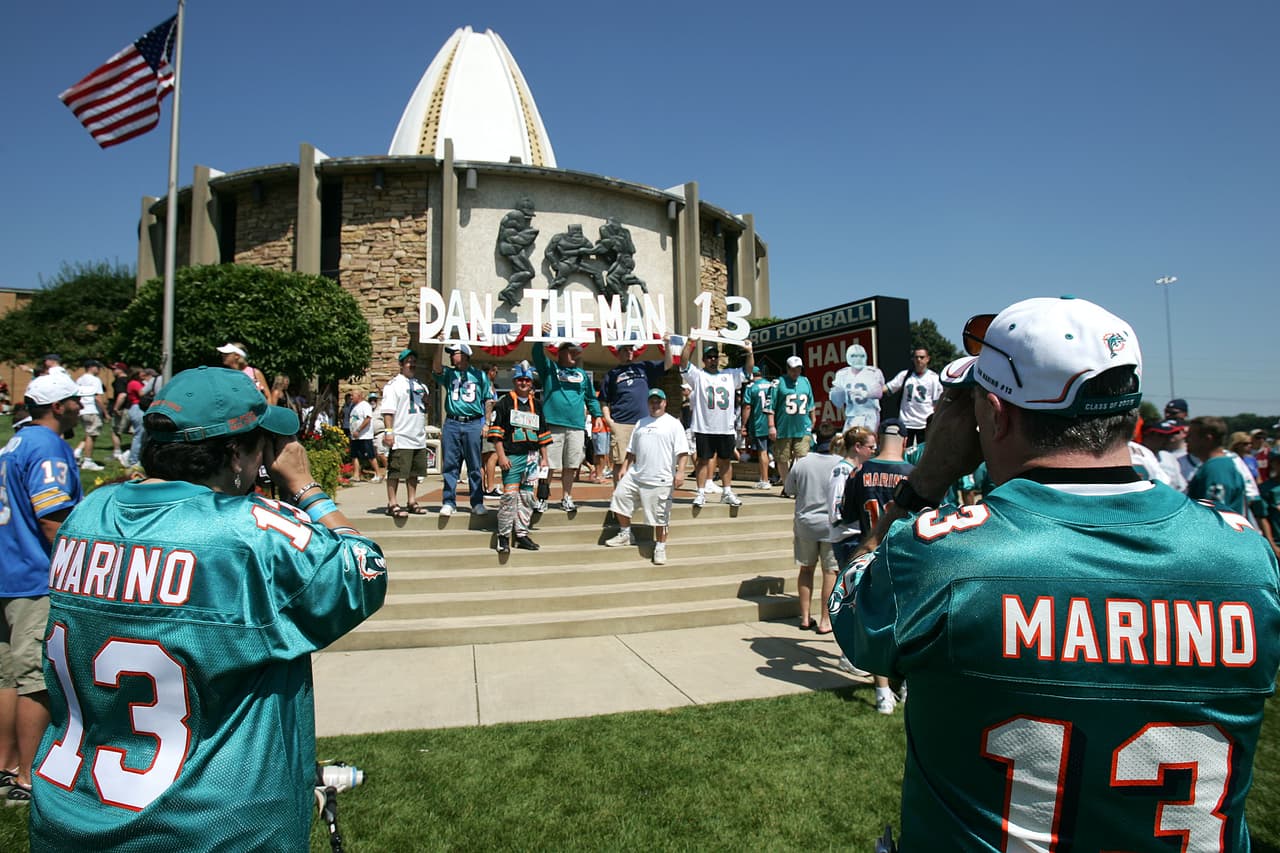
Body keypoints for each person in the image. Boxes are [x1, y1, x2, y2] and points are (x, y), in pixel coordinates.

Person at [831, 296, 1280, 851]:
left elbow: (851, 611)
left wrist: (922, 485)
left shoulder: (945, 559)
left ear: (997, 414)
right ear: (1127, 414)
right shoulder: (1245, 556)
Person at [28, 366, 386, 849]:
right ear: (235, 453)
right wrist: (305, 486)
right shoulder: (249, 532)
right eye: (261, 445)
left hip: (71, 815)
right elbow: (364, 570)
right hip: (212, 826)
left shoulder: (88, 515)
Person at [0, 373, 83, 806]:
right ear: (58, 406)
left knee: (8, 678)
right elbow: (51, 517)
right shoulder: (47, 446)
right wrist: (78, 569)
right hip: (33, 575)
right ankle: (27, 778)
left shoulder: (14, 443)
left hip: (6, 570)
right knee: (34, 679)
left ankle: (6, 765)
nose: (81, 408)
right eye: (75, 401)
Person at [837, 418, 913, 714]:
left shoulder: (860, 472)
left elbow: (846, 514)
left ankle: (882, 692)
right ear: (905, 441)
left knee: (875, 623)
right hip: (907, 557)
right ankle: (906, 684)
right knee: (907, 623)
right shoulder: (915, 474)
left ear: (878, 439)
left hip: (872, 553)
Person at [604, 389, 690, 565]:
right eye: (652, 401)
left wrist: (680, 472)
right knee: (619, 497)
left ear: (665, 403)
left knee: (660, 517)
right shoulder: (640, 423)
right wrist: (625, 467)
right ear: (647, 403)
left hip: (660, 478)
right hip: (636, 474)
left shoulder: (673, 424)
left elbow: (682, 452)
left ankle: (660, 546)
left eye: (658, 401)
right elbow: (632, 450)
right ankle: (625, 533)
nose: (655, 404)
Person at [532, 330, 603, 512]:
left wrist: (597, 415)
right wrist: (542, 335)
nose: (575, 354)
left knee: (571, 465)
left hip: (576, 426)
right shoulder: (550, 369)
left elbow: (591, 398)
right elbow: (537, 354)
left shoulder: (581, 374)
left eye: (577, 351)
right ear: (560, 352)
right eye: (571, 351)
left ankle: (566, 497)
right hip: (553, 424)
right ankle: (542, 498)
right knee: (548, 464)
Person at [680, 336, 754, 507]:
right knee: (702, 460)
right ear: (704, 360)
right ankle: (700, 492)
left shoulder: (729, 375)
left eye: (715, 357)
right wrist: (690, 343)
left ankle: (727, 491)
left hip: (725, 427)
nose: (713, 360)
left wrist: (750, 352)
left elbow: (747, 370)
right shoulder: (698, 376)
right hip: (704, 426)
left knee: (725, 460)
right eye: (709, 357)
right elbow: (683, 363)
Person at [486, 361, 550, 552]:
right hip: (512, 456)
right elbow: (496, 434)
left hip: (531, 456)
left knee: (527, 496)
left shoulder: (537, 405)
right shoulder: (504, 403)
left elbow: (542, 434)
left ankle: (522, 533)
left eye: (527, 380)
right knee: (509, 496)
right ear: (514, 381)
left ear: (531, 383)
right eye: (520, 380)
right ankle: (503, 536)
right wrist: (501, 456)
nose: (523, 383)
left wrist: (544, 458)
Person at [784, 422, 841, 633]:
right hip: (831, 524)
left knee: (806, 569)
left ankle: (806, 617)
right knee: (830, 572)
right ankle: (826, 620)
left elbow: (789, 489)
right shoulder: (841, 463)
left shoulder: (802, 463)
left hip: (806, 522)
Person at [431, 342, 492, 517]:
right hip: (452, 422)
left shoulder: (479, 375)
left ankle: (477, 502)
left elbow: (488, 399)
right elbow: (436, 368)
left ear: (464, 355)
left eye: (454, 353)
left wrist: (487, 423)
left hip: (473, 422)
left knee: (474, 465)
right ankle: (449, 501)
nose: (451, 357)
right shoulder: (450, 374)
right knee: (450, 464)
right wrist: (439, 345)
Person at [599, 342, 673, 486]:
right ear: (618, 353)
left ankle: (641, 493)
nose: (629, 352)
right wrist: (608, 420)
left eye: (631, 349)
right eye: (625, 350)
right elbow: (604, 400)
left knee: (644, 460)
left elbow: (668, 364)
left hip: (644, 423)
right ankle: (619, 495)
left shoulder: (644, 367)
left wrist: (667, 344)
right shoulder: (612, 374)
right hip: (621, 423)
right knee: (620, 462)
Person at [380, 348, 430, 518]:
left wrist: (427, 402)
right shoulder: (393, 385)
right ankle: (392, 503)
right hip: (401, 435)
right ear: (401, 364)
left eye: (414, 361)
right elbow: (388, 411)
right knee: (396, 471)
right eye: (408, 362)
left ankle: (412, 501)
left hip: (418, 435)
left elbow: (424, 408)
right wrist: (389, 431)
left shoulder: (421, 385)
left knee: (415, 472)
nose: (412, 364)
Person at [768, 355, 815, 486]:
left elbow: (811, 403)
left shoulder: (805, 381)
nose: (796, 372)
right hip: (784, 427)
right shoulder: (778, 383)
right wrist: (771, 426)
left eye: (798, 369)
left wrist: (813, 420)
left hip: (803, 426)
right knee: (782, 458)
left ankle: (799, 484)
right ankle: (787, 484)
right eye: (793, 369)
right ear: (787, 369)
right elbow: (770, 406)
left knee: (802, 456)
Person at [1186, 416, 1249, 515]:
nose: (1186, 440)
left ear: (1207, 438)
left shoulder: (1216, 470)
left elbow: (1215, 515)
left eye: (1190, 436)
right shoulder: (1218, 466)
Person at [883, 347, 942, 446]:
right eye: (916, 357)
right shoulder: (905, 375)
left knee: (922, 452)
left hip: (924, 423)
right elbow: (888, 388)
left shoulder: (934, 378)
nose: (919, 360)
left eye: (922, 357)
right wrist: (870, 390)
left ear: (927, 359)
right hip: (906, 422)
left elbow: (937, 403)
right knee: (905, 451)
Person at [829, 343, 886, 432]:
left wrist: (865, 394)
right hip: (851, 415)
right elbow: (838, 402)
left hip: (869, 415)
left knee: (867, 439)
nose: (858, 359)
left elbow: (878, 392)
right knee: (848, 439)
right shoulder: (842, 374)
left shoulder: (873, 372)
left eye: (861, 356)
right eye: (854, 356)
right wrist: (835, 393)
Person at [73, 359, 108, 471]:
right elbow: (98, 397)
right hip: (91, 409)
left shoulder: (79, 379)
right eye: (98, 368)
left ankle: (77, 451)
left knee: (89, 433)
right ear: (92, 367)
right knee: (92, 435)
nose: (99, 370)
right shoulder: (95, 380)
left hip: (82, 409)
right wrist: (106, 412)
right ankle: (88, 461)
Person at [347, 389, 380, 482]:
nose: (351, 397)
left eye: (353, 395)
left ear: (359, 396)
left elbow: (368, 418)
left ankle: (378, 474)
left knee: (370, 455)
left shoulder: (365, 405)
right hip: (355, 437)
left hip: (364, 436)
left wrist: (358, 430)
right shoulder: (354, 407)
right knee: (354, 455)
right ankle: (356, 475)